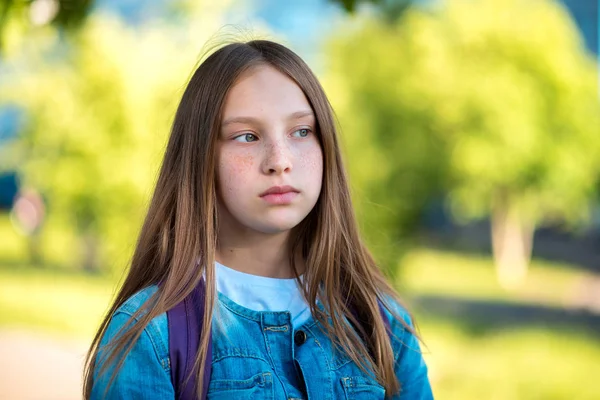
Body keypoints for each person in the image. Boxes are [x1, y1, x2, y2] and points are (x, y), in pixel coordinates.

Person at [84, 39, 433, 400]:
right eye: (247, 136)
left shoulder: (381, 323)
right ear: (199, 157)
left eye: (301, 131)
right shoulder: (151, 336)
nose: (280, 160)